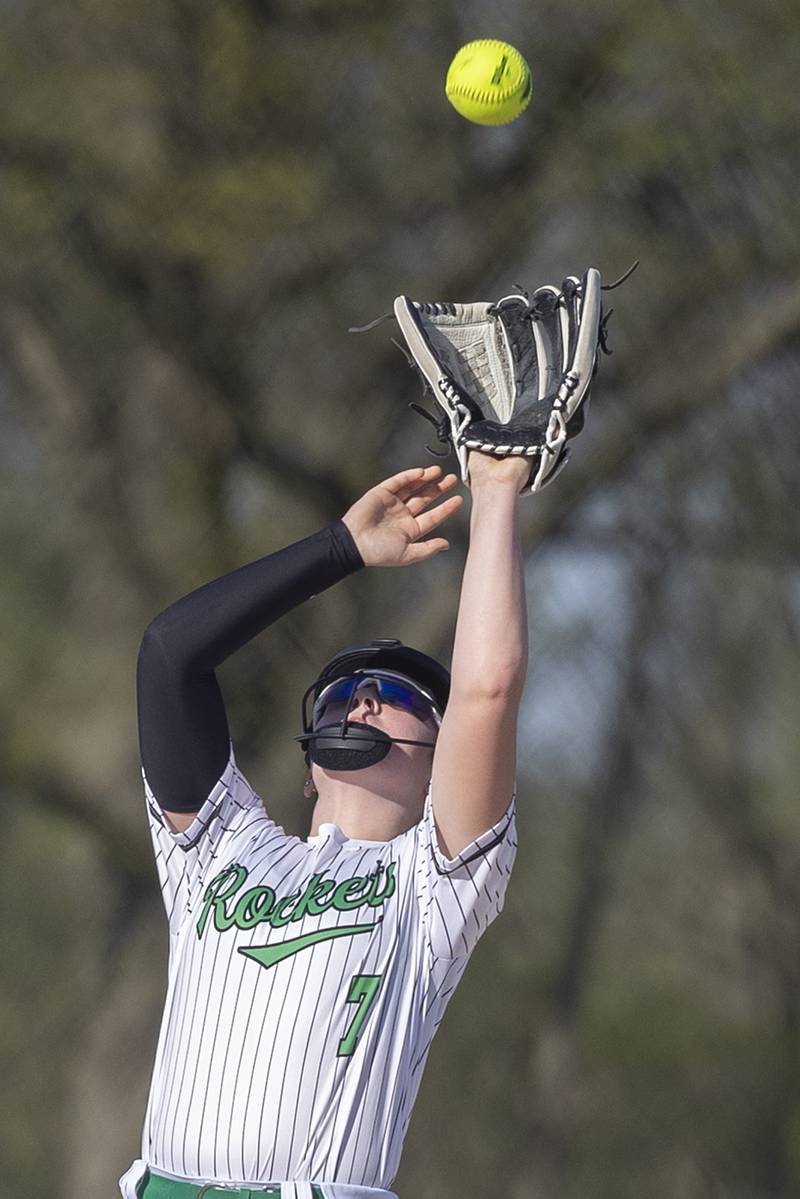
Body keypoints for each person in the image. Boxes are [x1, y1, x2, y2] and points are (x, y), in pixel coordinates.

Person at [121, 454, 530, 1199]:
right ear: (309, 763)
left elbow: (487, 687)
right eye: (343, 687)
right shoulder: (221, 846)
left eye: (399, 693)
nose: (365, 693)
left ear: (445, 761)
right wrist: (341, 546)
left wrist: (495, 490)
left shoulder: (432, 885)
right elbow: (169, 658)